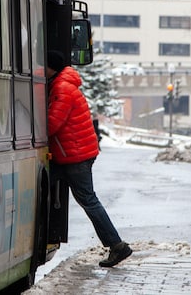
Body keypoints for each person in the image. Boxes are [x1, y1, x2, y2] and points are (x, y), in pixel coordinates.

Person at [46, 50, 132, 268]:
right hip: (70, 154)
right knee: (42, 187)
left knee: (88, 200)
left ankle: (117, 246)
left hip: (74, 156)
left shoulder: (62, 88)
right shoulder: (65, 84)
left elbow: (52, 124)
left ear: (49, 68)